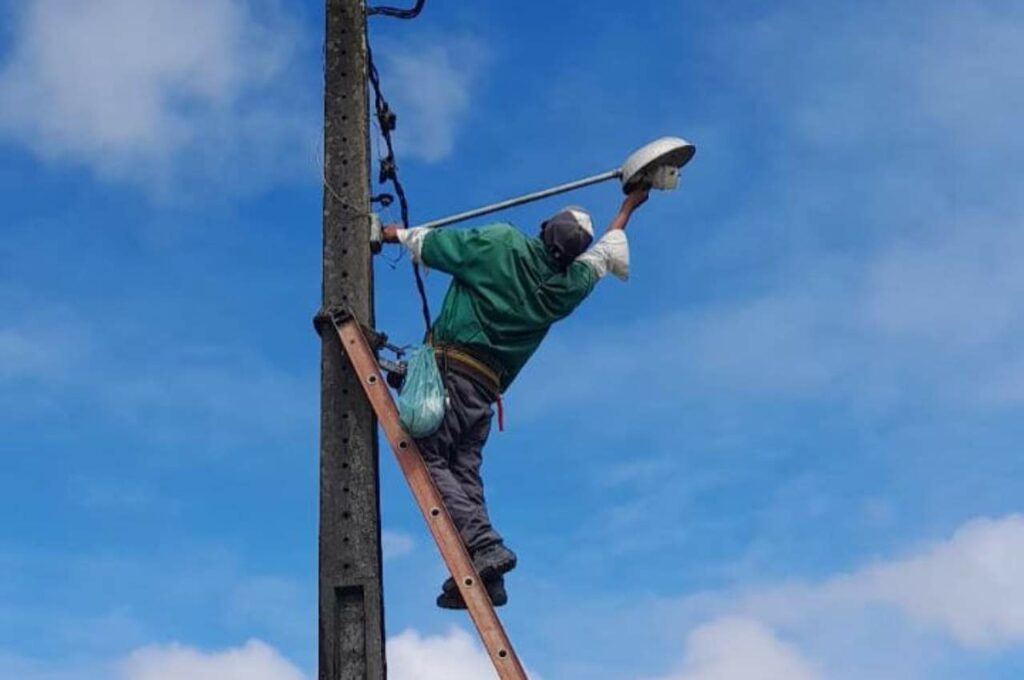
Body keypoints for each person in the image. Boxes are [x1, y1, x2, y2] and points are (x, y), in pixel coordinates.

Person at [382, 188, 650, 609]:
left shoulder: (502, 244)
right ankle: (488, 578)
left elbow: (435, 245)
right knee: (464, 474)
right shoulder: (566, 287)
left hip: (451, 375)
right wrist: (627, 208)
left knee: (427, 459)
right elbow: (603, 257)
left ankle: (484, 546)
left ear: (544, 229)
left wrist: (389, 234)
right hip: (485, 393)